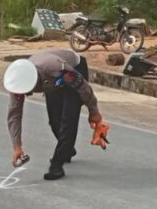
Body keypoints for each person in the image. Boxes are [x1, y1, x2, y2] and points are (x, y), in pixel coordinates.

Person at [6, 49, 103, 181]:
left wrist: (94, 111)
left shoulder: (56, 69)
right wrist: (17, 146)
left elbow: (83, 87)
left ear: (35, 81)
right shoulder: (18, 81)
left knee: (68, 120)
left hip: (74, 69)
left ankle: (57, 165)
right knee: (54, 121)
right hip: (52, 83)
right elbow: (14, 115)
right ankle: (67, 149)